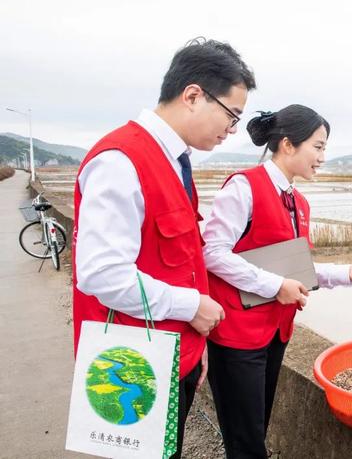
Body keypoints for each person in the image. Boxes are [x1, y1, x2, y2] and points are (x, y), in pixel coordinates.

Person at [72, 37, 256, 458]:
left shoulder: (174, 161)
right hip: (133, 362)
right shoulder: (121, 161)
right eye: (231, 116)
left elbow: (182, 260)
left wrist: (195, 347)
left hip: (176, 351)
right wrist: (192, 308)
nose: (231, 131)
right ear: (193, 95)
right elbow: (101, 275)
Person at [202, 105, 352, 458]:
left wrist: (346, 273)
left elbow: (295, 269)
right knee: (246, 439)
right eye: (317, 146)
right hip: (237, 336)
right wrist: (274, 286)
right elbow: (213, 253)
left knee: (257, 426)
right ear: (287, 144)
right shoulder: (244, 186)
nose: (323, 157)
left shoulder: (297, 201)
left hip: (274, 332)